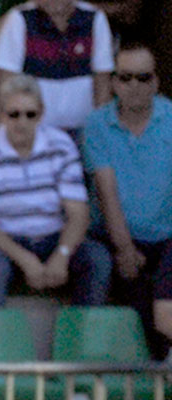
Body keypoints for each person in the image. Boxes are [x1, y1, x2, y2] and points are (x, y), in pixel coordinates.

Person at [0, 74, 112, 307]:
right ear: (0, 114)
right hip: (2, 242)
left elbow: (78, 213)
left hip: (52, 238)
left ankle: (83, 330)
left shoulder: (61, 145)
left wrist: (62, 255)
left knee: (97, 259)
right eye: (14, 114)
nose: (22, 122)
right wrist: (25, 259)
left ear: (41, 113)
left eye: (30, 114)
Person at [81, 44, 172, 358]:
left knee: (163, 313)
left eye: (143, 77)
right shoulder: (96, 124)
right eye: (126, 77)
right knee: (143, 318)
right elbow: (106, 193)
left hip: (168, 237)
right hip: (116, 237)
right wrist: (124, 248)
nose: (134, 85)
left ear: (156, 82)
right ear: (114, 83)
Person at [0, 0, 114, 135]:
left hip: (84, 131)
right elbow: (4, 85)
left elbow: (103, 84)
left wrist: (100, 132)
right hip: (33, 133)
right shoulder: (19, 18)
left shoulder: (94, 17)